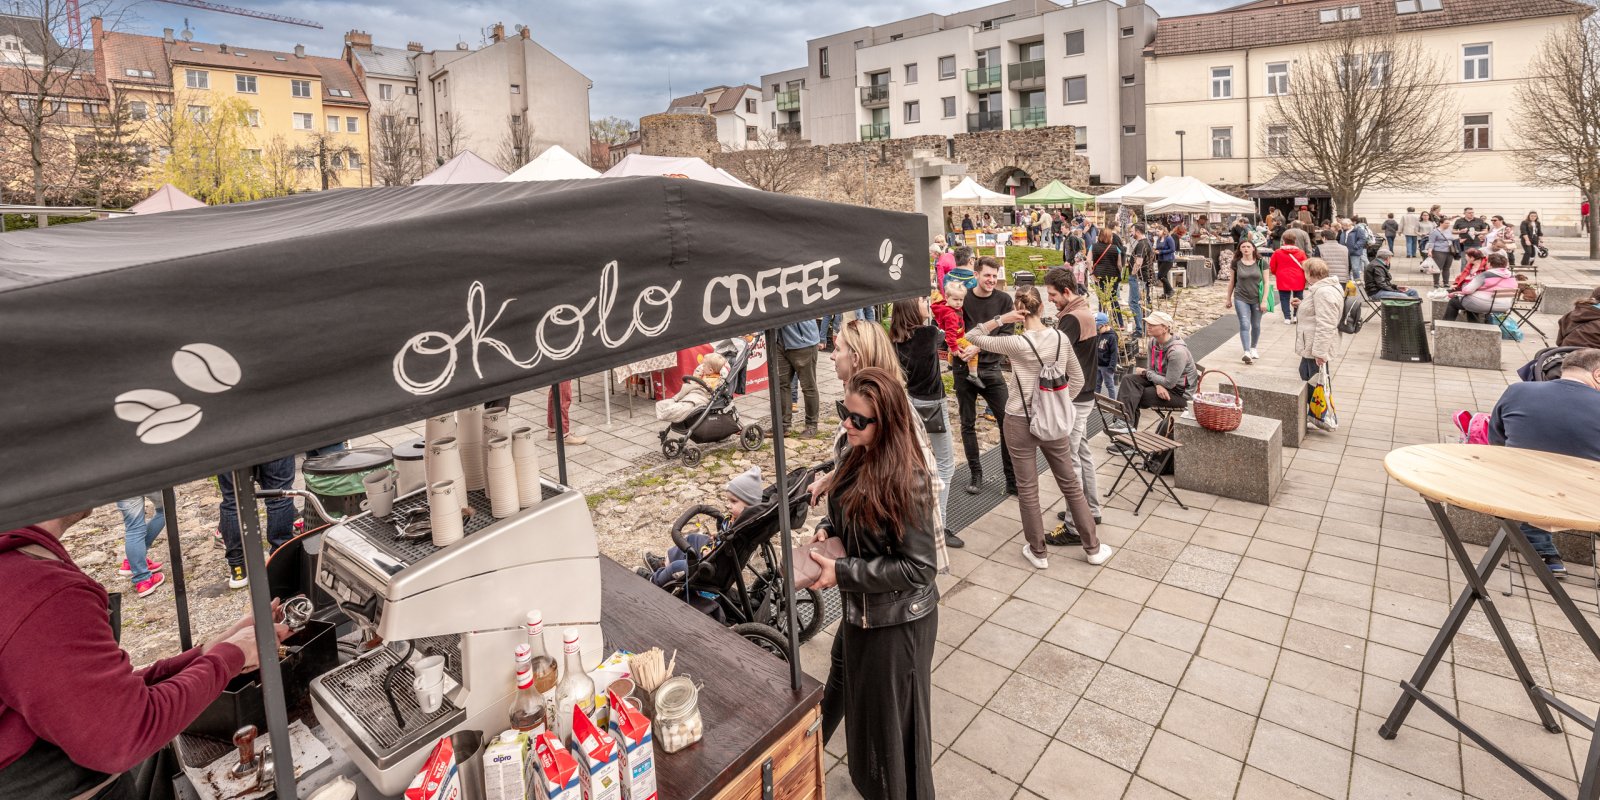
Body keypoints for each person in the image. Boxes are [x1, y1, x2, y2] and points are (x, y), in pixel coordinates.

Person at [0, 512, 290, 796]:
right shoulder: (44, 592)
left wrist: (210, 649)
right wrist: (232, 655)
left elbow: (95, 696)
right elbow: (123, 735)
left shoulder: (19, 566)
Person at [809, 368, 938, 800]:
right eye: (844, 412)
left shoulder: (908, 478)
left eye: (858, 419)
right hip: (861, 612)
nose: (846, 424)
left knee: (896, 729)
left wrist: (843, 572)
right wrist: (828, 532)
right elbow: (844, 512)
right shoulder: (853, 454)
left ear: (887, 423)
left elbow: (919, 569)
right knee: (865, 718)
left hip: (898, 624)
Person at [967, 287, 1110, 568]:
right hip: (1053, 421)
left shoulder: (1017, 344)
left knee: (1028, 488)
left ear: (1020, 312)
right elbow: (1078, 380)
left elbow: (972, 336)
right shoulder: (1060, 338)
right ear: (1042, 308)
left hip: (1019, 419)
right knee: (1070, 483)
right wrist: (1059, 404)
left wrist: (1001, 319)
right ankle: (1092, 548)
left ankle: (1038, 551)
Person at [824, 318, 953, 551]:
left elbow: (926, 483)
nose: (832, 356)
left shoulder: (893, 410)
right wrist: (835, 478)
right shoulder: (863, 403)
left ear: (855, 358)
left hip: (888, 560)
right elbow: (865, 461)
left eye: (837, 349)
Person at [1488, 347, 1600, 575]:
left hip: (1520, 496)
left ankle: (1542, 551)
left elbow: (1496, 443)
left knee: (1534, 474)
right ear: (1598, 374)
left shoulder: (1516, 391)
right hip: (1589, 502)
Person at [891, 296, 960, 549]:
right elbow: (947, 329)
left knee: (914, 463)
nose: (926, 303)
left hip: (910, 403)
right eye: (921, 301)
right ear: (912, 308)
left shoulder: (894, 341)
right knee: (945, 464)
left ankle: (914, 519)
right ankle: (938, 524)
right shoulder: (929, 333)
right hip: (933, 404)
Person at [1043, 268, 1105, 537]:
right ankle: (1091, 509)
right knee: (1082, 454)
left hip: (1075, 398)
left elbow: (1052, 355)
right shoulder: (1085, 311)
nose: (1051, 300)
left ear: (1067, 292)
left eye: (1053, 295)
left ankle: (1074, 525)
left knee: (1070, 463)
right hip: (1087, 393)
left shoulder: (1071, 319)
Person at [953, 258, 1017, 495]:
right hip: (962, 368)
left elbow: (1007, 338)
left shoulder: (1004, 300)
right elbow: (952, 329)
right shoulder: (964, 299)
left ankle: (1011, 479)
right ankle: (975, 474)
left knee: (1007, 422)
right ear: (976, 275)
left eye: (994, 276)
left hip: (991, 370)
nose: (991, 280)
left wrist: (978, 347)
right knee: (967, 423)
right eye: (987, 275)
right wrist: (959, 348)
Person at [641, 466, 762, 585]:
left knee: (677, 566)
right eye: (728, 501)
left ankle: (654, 581)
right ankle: (664, 565)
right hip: (715, 553)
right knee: (692, 538)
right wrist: (718, 535)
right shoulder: (736, 520)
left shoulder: (740, 529)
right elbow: (724, 539)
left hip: (713, 567)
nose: (728, 505)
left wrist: (709, 552)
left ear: (749, 505)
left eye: (734, 501)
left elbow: (727, 552)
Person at [217, 457, 297, 589]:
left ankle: (238, 569)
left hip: (227, 442)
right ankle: (280, 560)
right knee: (279, 495)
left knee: (233, 499)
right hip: (271, 438)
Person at [1117, 311, 1195, 430]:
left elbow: (1169, 383)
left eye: (1152, 324)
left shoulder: (1177, 352)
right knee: (1128, 379)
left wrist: (1145, 373)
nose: (1148, 326)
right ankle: (1122, 424)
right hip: (1162, 382)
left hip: (1179, 393)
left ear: (1165, 328)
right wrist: (1157, 384)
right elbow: (1152, 369)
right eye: (1148, 323)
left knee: (1132, 396)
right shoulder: (1153, 342)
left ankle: (1126, 437)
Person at [1293, 257, 1344, 381]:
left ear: (1310, 273)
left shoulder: (1323, 292)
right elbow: (1319, 311)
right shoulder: (1323, 288)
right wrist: (1302, 305)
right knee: (1306, 374)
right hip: (1311, 345)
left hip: (1315, 347)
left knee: (1315, 382)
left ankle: (1314, 401)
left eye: (1304, 272)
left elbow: (1326, 324)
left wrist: (1320, 354)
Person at [776, 319, 821, 437]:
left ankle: (811, 425)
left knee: (808, 386)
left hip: (803, 341)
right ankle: (783, 425)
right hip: (780, 342)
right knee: (781, 384)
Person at [931, 280, 981, 387]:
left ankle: (950, 365)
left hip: (955, 336)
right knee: (972, 351)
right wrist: (953, 347)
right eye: (955, 299)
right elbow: (950, 333)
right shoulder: (951, 315)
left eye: (961, 300)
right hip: (957, 338)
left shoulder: (947, 307)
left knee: (951, 352)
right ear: (947, 297)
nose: (958, 303)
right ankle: (973, 375)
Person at [1443, 252, 1516, 323]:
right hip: (1505, 306)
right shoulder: (1512, 276)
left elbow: (1467, 290)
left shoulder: (1485, 275)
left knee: (1454, 302)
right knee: (1471, 301)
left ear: (1490, 264)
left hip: (1485, 305)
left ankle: (1444, 326)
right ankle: (1474, 325)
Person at [654, 353, 726, 423]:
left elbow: (713, 389)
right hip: (692, 393)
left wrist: (710, 386)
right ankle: (673, 406)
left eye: (704, 365)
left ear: (711, 370)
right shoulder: (705, 375)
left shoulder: (716, 379)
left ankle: (671, 411)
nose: (702, 367)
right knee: (661, 404)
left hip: (701, 396)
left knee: (685, 406)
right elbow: (695, 382)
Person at [1227, 239, 1267, 363]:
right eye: (1243, 246)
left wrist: (1264, 300)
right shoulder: (1236, 263)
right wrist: (1228, 298)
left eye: (1248, 246)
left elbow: (1266, 283)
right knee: (1244, 324)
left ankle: (1253, 347)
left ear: (1253, 248)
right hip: (1241, 297)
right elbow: (1232, 282)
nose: (1246, 249)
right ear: (1240, 249)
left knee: (1255, 325)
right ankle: (1246, 352)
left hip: (1257, 298)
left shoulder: (1261, 262)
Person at [1270, 228, 1309, 323]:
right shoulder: (1301, 253)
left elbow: (1272, 266)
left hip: (1283, 277)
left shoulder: (1278, 252)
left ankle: (1287, 317)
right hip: (1298, 277)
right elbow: (1305, 266)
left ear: (1283, 241)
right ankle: (1296, 315)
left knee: (1284, 298)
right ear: (1295, 241)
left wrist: (1277, 273)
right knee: (1298, 297)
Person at [1426, 216, 1457, 288]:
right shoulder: (1434, 231)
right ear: (1441, 223)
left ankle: (1446, 282)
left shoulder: (1449, 230)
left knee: (1447, 268)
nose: (1448, 225)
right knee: (1437, 268)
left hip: (1449, 251)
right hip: (1439, 251)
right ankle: (1436, 283)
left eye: (1449, 223)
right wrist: (1430, 251)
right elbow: (1431, 242)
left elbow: (1451, 239)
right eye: (1446, 223)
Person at [1095, 313, 1119, 398]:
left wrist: (1111, 367)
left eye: (1098, 327)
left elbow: (1114, 353)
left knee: (1109, 385)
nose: (1097, 330)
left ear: (1104, 325)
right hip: (1098, 364)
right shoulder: (1100, 334)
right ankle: (1095, 402)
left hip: (1107, 366)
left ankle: (1113, 403)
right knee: (1097, 384)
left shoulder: (1112, 337)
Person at [1154, 224, 1178, 298]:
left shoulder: (1169, 238)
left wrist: (1161, 252)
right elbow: (1158, 248)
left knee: (1160, 276)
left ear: (1163, 231)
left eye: (1158, 231)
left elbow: (1172, 249)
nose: (1157, 233)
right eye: (1156, 231)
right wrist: (1155, 250)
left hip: (1168, 259)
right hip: (1160, 259)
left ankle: (1171, 290)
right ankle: (1166, 294)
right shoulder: (1158, 239)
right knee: (1164, 276)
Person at [1346, 218, 1371, 282]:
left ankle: (1358, 281)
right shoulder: (1344, 230)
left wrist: (1356, 247)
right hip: (1347, 251)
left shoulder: (1358, 229)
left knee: (1355, 267)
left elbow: (1363, 239)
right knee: (1352, 267)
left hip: (1355, 251)